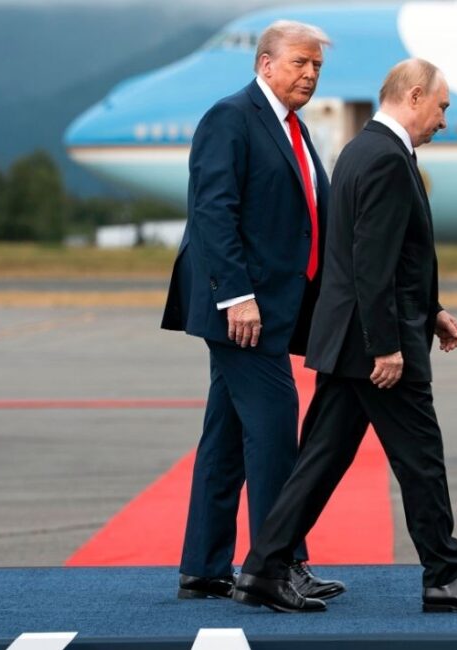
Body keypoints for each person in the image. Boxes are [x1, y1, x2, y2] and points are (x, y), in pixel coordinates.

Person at [233, 59, 457, 614]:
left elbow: (383, 254)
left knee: (321, 461)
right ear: (414, 96)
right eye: (442, 107)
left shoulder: (362, 150)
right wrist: (386, 344)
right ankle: (447, 575)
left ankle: (263, 569)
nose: (444, 120)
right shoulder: (387, 158)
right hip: (377, 346)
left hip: (349, 339)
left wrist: (431, 310)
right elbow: (371, 262)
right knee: (421, 458)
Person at [159, 20, 340, 601]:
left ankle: (204, 567)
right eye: (299, 63)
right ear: (265, 63)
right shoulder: (231, 118)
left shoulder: (294, 128)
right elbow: (212, 211)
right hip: (243, 311)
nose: (310, 74)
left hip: (273, 308)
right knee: (275, 431)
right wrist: (235, 296)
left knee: (226, 440)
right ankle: (275, 568)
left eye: (316, 66)